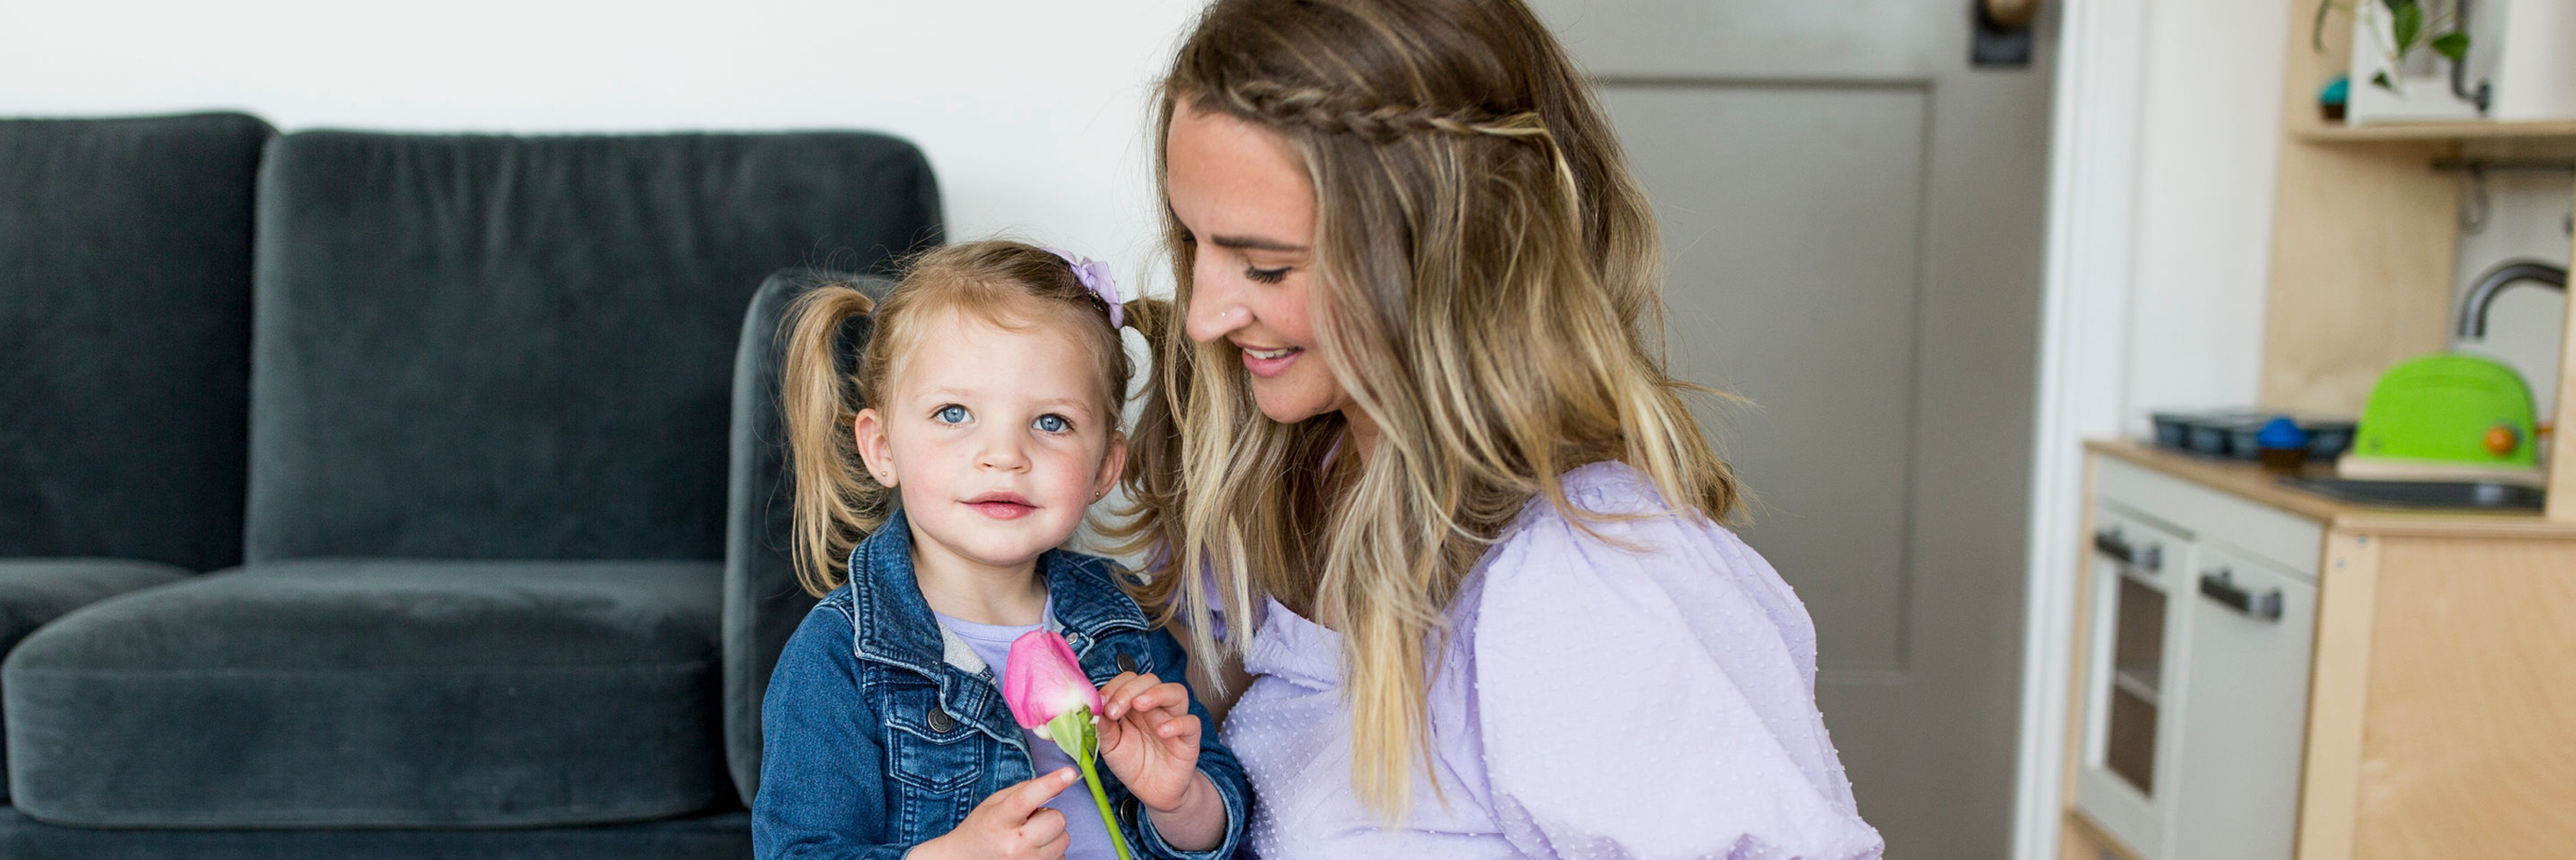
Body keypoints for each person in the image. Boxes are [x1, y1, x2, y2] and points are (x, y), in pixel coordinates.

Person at [1104, 0, 1886, 856]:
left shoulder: (1587, 584)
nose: (1208, 313)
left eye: (1265, 264)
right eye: (1193, 241)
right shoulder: (1280, 486)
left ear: (1446, 254)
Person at [756, 240, 1249, 860]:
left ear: (1104, 465)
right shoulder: (838, 656)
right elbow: (799, 850)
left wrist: (1180, 799)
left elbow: (1220, 822)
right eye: (954, 412)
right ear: (882, 446)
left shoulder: (1123, 620)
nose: (1004, 454)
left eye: (1050, 422)